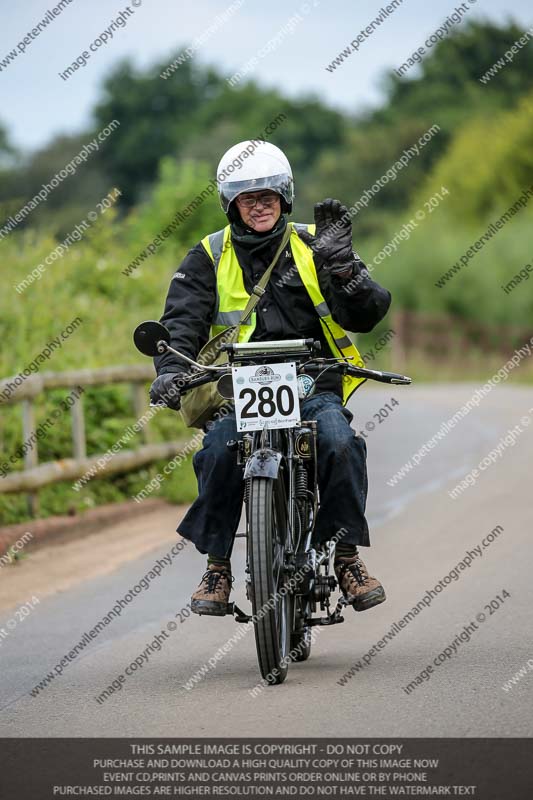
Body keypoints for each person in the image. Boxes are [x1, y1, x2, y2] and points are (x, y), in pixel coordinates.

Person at [150, 140, 392, 617]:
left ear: (285, 198)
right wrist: (172, 371)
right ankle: (218, 568)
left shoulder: (314, 243)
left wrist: (344, 269)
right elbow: (181, 322)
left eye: (267, 196)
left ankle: (346, 558)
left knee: (340, 443)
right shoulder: (207, 255)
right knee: (218, 449)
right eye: (246, 197)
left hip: (313, 382)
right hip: (240, 387)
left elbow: (368, 313)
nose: (257, 205)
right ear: (231, 204)